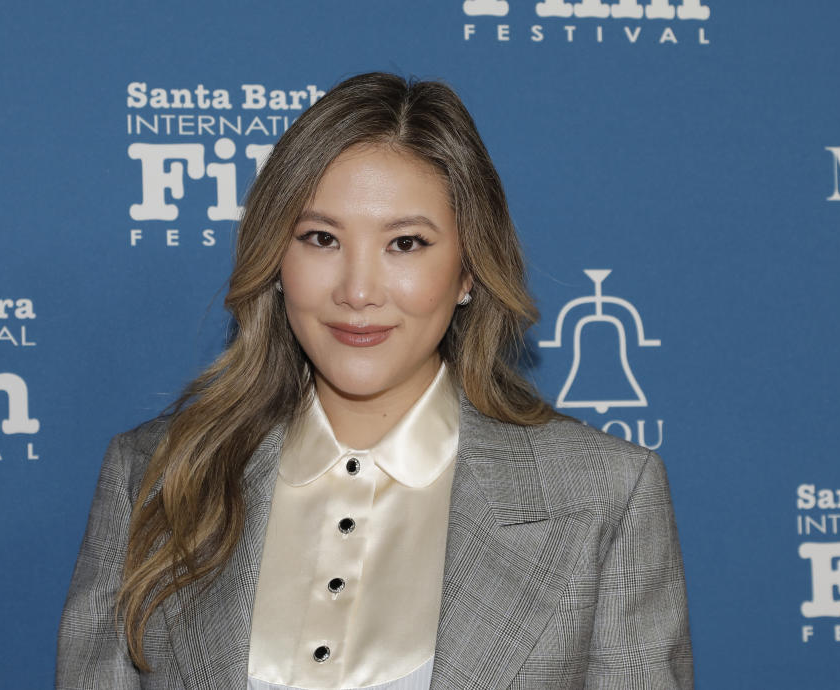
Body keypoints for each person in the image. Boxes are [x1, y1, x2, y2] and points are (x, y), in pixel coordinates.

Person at [57, 72, 692, 690]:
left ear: (469, 270)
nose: (357, 291)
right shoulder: (154, 476)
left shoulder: (604, 494)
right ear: (276, 260)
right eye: (321, 237)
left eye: (406, 244)